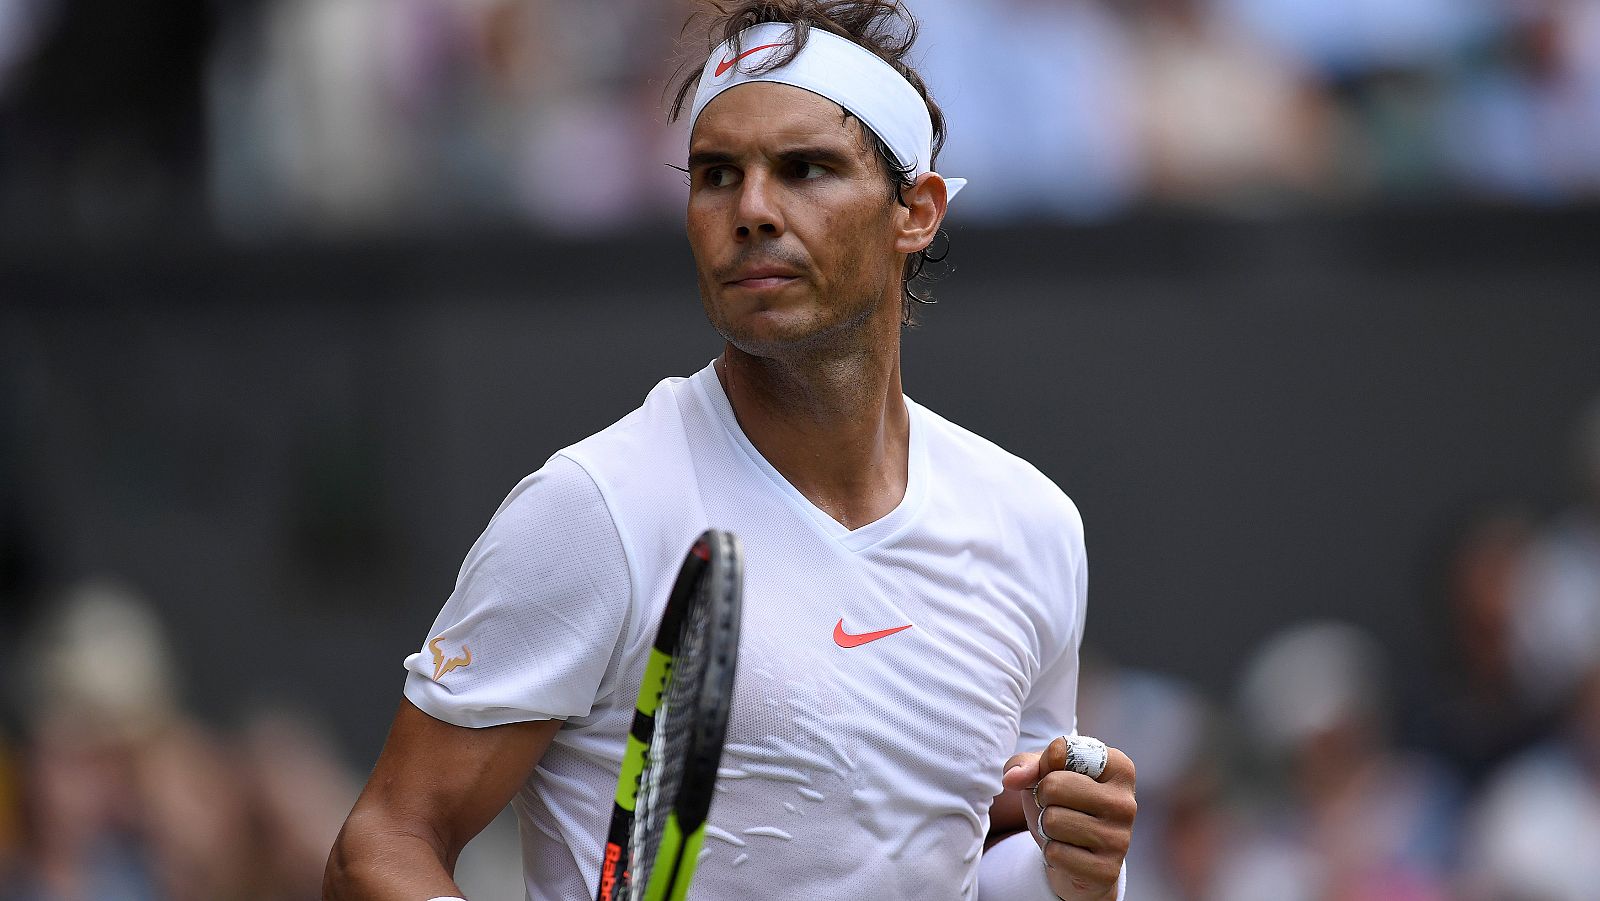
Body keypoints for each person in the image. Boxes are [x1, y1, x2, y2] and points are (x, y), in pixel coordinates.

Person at [323, 3, 1136, 899]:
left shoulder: (1032, 525)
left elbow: (972, 850)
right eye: (717, 176)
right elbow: (382, 842)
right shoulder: (596, 508)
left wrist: (1076, 866)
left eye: (804, 170)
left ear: (917, 211)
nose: (752, 210)